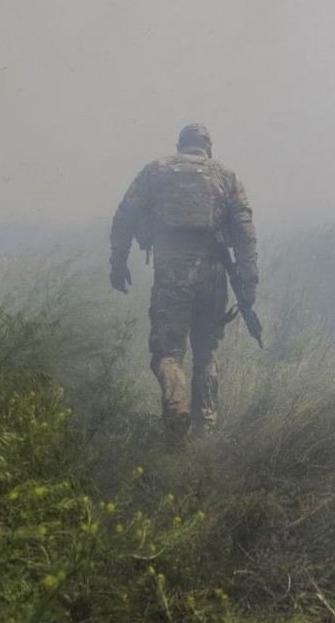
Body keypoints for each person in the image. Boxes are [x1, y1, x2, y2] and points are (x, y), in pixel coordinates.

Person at [109, 124, 258, 445]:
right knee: (206, 353)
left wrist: (118, 262)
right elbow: (245, 230)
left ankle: (176, 407)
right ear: (209, 148)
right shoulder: (226, 175)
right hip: (214, 271)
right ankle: (205, 430)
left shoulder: (155, 171)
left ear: (179, 146)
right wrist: (248, 282)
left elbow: (125, 215)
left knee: (168, 352)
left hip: (171, 269)